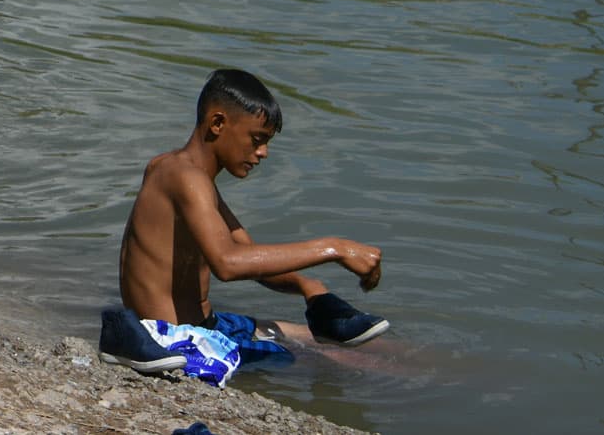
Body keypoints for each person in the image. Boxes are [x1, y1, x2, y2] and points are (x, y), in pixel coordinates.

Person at [101, 69, 390, 384]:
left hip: (208, 324)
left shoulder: (180, 172)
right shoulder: (186, 179)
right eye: (257, 140)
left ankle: (420, 359)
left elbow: (247, 254)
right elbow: (227, 263)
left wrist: (308, 286)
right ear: (218, 123)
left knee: (309, 335)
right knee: (344, 361)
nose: (263, 153)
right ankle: (432, 375)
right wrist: (333, 248)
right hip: (177, 341)